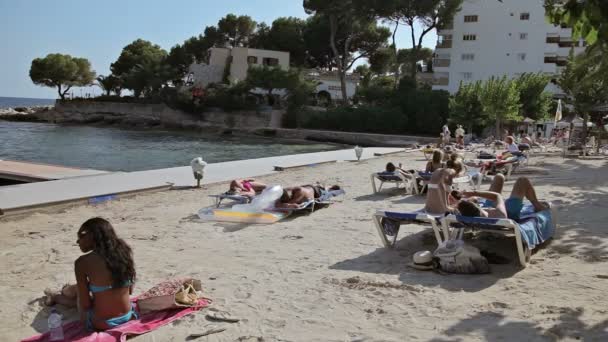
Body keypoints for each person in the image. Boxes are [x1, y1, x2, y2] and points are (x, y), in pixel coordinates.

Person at [43, 218, 137, 331]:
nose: (77, 241)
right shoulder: (124, 251)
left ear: (93, 236)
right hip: (127, 316)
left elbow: (85, 305)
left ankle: (58, 296)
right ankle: (65, 291)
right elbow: (130, 291)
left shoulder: (82, 263)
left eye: (81, 236)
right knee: (94, 290)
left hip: (100, 323)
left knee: (79, 290)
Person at [457, 177, 548, 220]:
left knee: (499, 177)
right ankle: (537, 205)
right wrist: (474, 193)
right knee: (522, 181)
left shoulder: (467, 213)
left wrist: (473, 198)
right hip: (509, 212)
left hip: (487, 208)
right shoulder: (499, 214)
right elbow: (497, 196)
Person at [276, 184, 340, 209]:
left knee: (325, 190)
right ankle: (326, 186)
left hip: (316, 191)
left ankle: (330, 187)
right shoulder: (288, 189)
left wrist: (281, 204)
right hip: (308, 187)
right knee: (320, 187)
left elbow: (292, 204)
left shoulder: (299, 193)